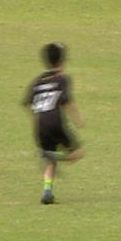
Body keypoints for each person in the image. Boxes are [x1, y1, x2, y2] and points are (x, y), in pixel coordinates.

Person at [24, 43, 84, 205]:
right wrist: (77, 119)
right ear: (62, 62)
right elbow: (66, 101)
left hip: (40, 124)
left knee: (49, 160)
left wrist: (37, 117)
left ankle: (47, 191)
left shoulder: (37, 81)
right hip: (55, 121)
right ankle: (52, 155)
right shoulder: (62, 79)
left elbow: (28, 103)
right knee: (77, 153)